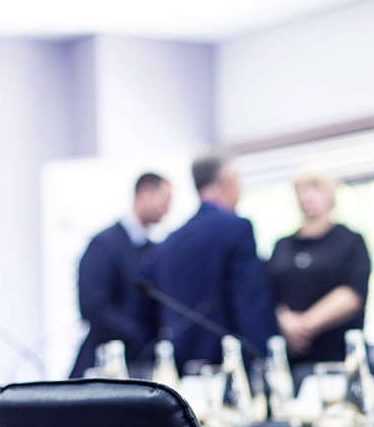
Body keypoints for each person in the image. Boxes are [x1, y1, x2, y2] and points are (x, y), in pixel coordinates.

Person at [143, 156, 276, 374]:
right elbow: (249, 303)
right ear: (228, 180)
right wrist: (262, 362)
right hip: (231, 366)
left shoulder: (170, 242)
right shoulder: (236, 228)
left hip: (183, 365)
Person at [70, 172, 172, 378]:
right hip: (104, 365)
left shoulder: (153, 249)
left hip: (142, 365)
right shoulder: (104, 244)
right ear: (144, 195)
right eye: (165, 201)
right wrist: (135, 334)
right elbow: (92, 305)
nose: (167, 210)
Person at [267, 172, 371, 371]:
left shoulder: (350, 241)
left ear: (330, 194)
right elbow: (270, 293)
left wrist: (306, 324)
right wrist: (286, 322)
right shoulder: (282, 246)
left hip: (339, 358)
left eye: (314, 189)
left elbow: (352, 294)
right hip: (292, 360)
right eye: (300, 190)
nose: (306, 196)